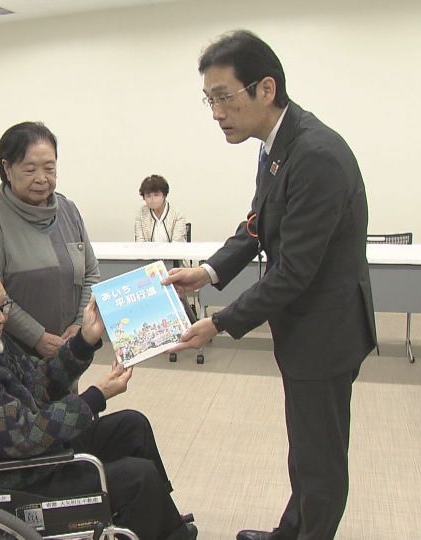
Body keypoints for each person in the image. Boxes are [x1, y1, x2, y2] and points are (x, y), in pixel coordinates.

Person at [166, 31, 376, 540]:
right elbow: (258, 224)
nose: (216, 113)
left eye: (223, 97)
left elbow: (295, 271)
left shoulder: (316, 154)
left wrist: (219, 322)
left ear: (266, 88)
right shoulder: (276, 145)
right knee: (304, 449)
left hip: (325, 332)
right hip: (304, 327)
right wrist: (209, 271)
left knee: (320, 459)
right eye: (209, 100)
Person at [0, 266, 198, 540]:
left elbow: (37, 383)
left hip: (26, 459)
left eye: (4, 306)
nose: (2, 318)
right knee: (137, 478)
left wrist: (83, 342)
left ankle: (165, 520)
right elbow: (26, 434)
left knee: (131, 426)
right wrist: (95, 397)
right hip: (9, 482)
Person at [0, 121, 100, 358]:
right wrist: (36, 336)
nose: (41, 178)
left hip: (69, 346)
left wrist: (79, 323)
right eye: (30, 170)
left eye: (49, 168)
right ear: (7, 168)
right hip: (14, 354)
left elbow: (90, 272)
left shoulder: (68, 210)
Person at [134, 174, 187, 242]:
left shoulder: (177, 214)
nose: (152, 199)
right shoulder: (141, 214)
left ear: (164, 195)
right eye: (148, 196)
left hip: (173, 249)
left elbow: (176, 243)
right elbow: (140, 243)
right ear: (144, 198)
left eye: (156, 195)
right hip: (148, 249)